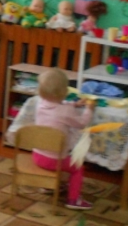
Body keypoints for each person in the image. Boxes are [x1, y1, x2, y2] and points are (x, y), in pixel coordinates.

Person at [32, 68, 96, 210]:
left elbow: (56, 106)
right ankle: (73, 199)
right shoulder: (66, 111)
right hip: (55, 159)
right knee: (78, 167)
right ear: (64, 91)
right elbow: (82, 123)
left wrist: (72, 104)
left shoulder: (40, 104)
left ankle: (50, 185)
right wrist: (89, 109)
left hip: (37, 155)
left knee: (56, 151)